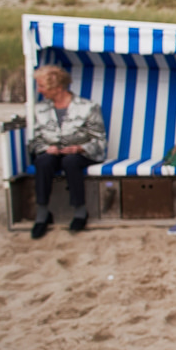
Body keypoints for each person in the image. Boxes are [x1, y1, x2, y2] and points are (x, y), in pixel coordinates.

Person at [25, 64, 107, 238]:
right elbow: (34, 141)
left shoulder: (88, 107)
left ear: (57, 87)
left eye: (42, 86)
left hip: (82, 153)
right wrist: (47, 148)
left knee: (71, 161)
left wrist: (79, 148)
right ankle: (42, 213)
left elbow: (99, 141)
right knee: (43, 161)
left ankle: (80, 210)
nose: (39, 90)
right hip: (52, 152)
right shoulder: (40, 109)